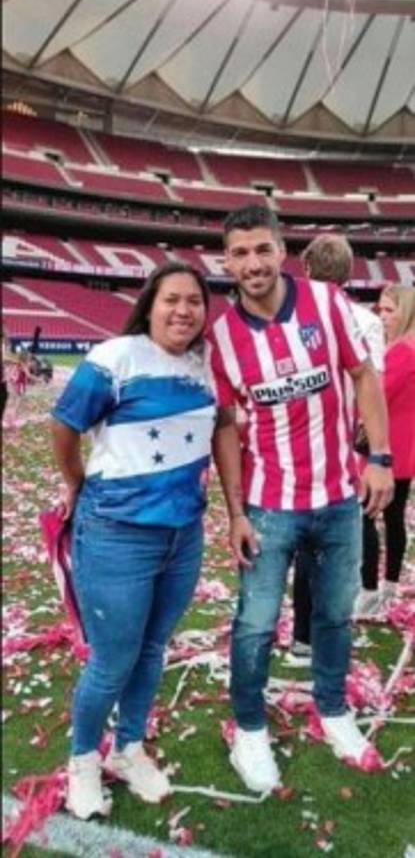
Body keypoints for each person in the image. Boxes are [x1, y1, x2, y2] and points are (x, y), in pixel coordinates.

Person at [208, 204, 393, 793]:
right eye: (239, 253)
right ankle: (250, 728)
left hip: (339, 495)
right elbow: (226, 427)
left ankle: (334, 709)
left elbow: (364, 376)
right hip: (268, 504)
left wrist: (380, 460)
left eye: (262, 249)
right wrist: (235, 511)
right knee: (256, 623)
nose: (252, 263)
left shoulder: (326, 302)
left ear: (282, 250)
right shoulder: (222, 337)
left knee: (335, 614)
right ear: (227, 261)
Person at [51, 262, 216, 820]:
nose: (183, 310)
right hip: (117, 534)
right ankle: (82, 762)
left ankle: (128, 747)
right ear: (151, 304)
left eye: (194, 301)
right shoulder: (114, 357)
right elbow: (64, 423)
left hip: (183, 535)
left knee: (151, 648)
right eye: (172, 299)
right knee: (112, 659)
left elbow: (223, 429)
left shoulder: (205, 366)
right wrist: (76, 482)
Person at [292, 234, 385, 637]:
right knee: (342, 537)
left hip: (300, 443)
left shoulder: (289, 317)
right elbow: (373, 383)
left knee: (304, 541)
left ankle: (302, 635)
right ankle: (336, 623)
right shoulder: (367, 321)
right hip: (346, 444)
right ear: (349, 272)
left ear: (308, 269)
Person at [357, 284, 415, 610]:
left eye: (390, 310)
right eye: (380, 309)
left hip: (387, 449)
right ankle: (389, 586)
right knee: (393, 519)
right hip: (403, 449)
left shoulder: (401, 351)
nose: (382, 316)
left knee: (365, 515)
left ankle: (369, 591)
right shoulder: (405, 347)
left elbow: (375, 399)